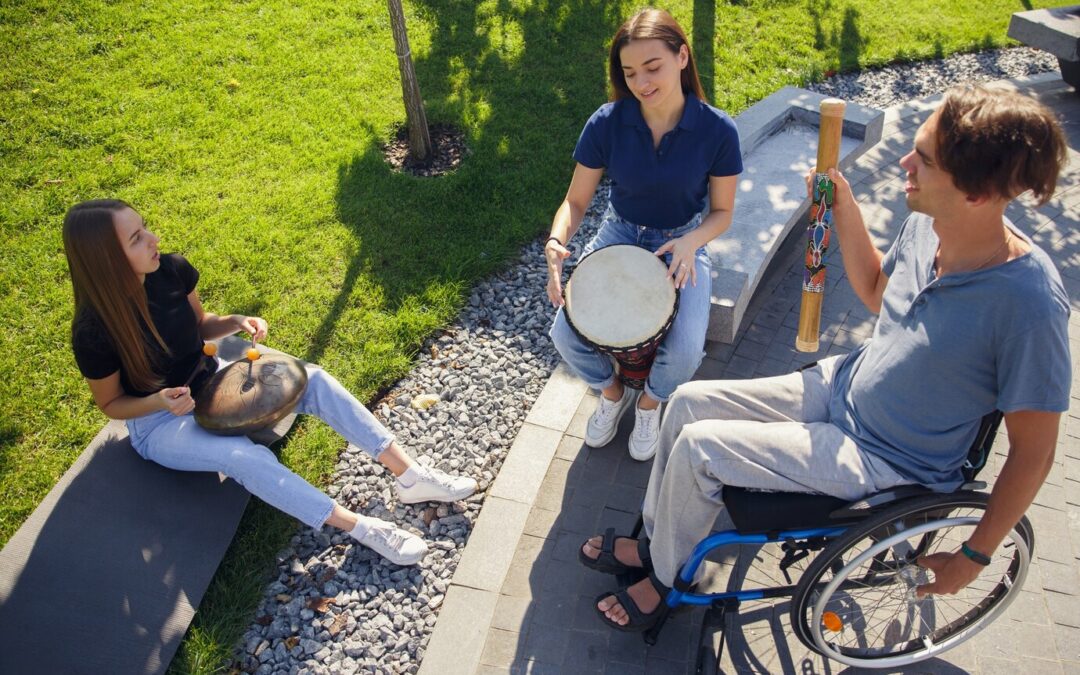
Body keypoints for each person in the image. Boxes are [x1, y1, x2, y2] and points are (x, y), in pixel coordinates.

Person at [580, 84, 1071, 631]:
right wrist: (844, 205)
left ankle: (665, 582)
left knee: (701, 448)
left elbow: (1035, 453)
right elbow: (878, 292)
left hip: (885, 458)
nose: (905, 163)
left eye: (924, 161)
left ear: (977, 193)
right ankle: (655, 546)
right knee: (688, 403)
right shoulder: (927, 224)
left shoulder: (1028, 304)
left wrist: (974, 557)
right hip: (842, 387)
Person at [64, 199, 478, 566]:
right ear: (108, 260)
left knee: (313, 380)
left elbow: (202, 326)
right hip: (159, 423)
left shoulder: (169, 270)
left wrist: (236, 322)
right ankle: (361, 528)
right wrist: (158, 401)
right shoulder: (93, 332)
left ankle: (409, 476)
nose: (153, 238)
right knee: (242, 457)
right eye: (137, 238)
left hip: (214, 386)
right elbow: (112, 404)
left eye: (145, 227)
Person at [545, 8, 742, 461]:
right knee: (564, 334)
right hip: (619, 230)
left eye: (652, 67)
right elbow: (575, 202)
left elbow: (723, 213)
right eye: (630, 72)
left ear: (682, 56)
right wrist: (557, 242)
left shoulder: (717, 130)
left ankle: (651, 403)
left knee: (688, 346)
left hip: (683, 238)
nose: (641, 82)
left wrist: (693, 243)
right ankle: (611, 393)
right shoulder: (607, 122)